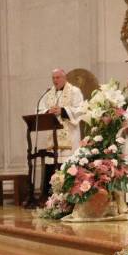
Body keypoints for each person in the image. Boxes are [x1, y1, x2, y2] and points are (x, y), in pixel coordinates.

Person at [38, 68, 85, 196]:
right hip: (53, 138)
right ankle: (52, 197)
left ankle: (70, 194)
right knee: (52, 164)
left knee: (68, 164)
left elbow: (80, 109)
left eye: (58, 77)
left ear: (65, 78)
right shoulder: (48, 93)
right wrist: (48, 112)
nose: (55, 80)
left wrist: (63, 111)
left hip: (69, 136)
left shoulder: (75, 91)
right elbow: (39, 109)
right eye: (53, 78)